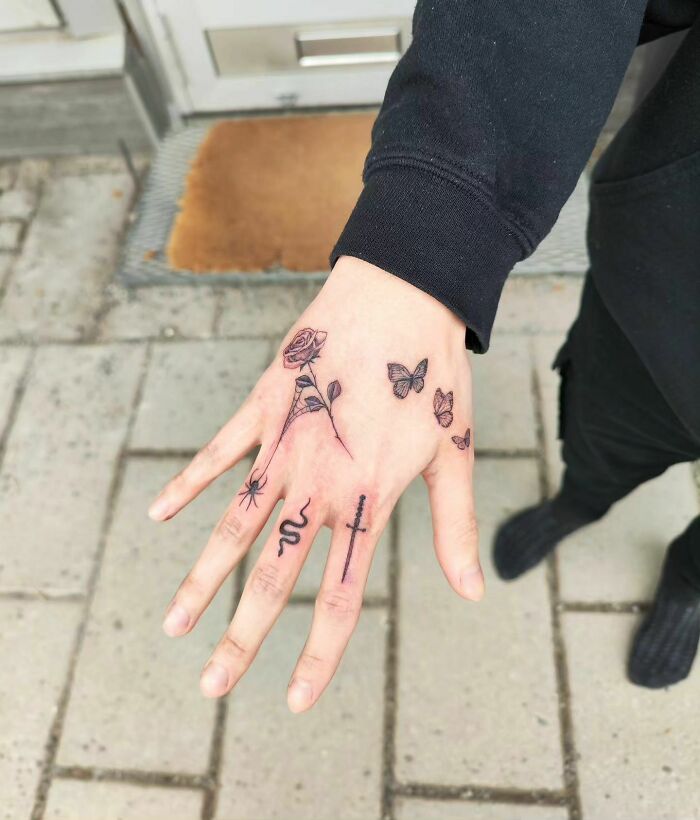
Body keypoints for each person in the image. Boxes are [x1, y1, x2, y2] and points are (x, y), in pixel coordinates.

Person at [148, 0, 700, 709]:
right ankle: (580, 499)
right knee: (603, 432)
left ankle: (687, 583)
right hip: (667, 301)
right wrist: (429, 237)